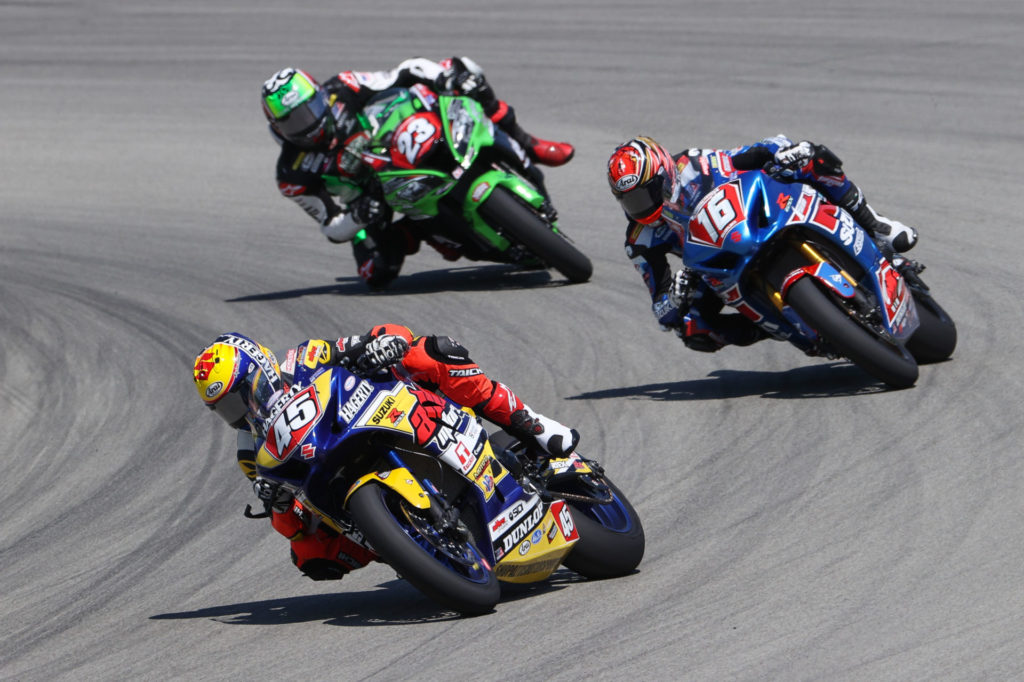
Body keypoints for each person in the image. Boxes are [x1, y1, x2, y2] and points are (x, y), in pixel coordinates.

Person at [192, 325, 579, 581]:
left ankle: (533, 424)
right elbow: (293, 523)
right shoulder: (251, 452)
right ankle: (418, 546)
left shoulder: (305, 358)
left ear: (261, 368)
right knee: (310, 556)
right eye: (227, 409)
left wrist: (384, 343)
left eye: (241, 395)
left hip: (392, 413)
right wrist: (278, 507)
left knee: (429, 352)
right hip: (336, 482)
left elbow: (380, 335)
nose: (241, 412)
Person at [261, 57, 575, 287]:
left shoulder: (344, 86)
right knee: (376, 272)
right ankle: (420, 231)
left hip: (402, 144)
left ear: (318, 94)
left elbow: (404, 72)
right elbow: (330, 226)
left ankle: (529, 144)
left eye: (310, 109)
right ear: (277, 127)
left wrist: (445, 78)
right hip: (371, 199)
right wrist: (358, 216)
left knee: (466, 72)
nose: (308, 123)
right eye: (293, 121)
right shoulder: (292, 173)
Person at [606, 134, 920, 353]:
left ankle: (876, 225)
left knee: (812, 158)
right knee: (692, 329)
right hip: (717, 267)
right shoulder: (640, 239)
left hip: (755, 217)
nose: (641, 207)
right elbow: (661, 309)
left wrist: (780, 152)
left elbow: (747, 154)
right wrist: (674, 298)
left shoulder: (695, 164)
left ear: (664, 172)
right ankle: (774, 327)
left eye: (645, 194)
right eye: (630, 201)